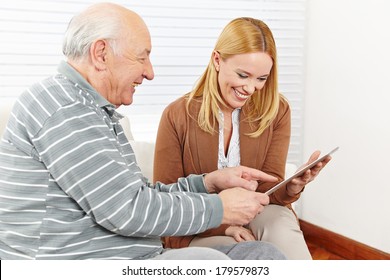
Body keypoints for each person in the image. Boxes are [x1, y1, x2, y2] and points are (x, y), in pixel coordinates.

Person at [0, 3, 288, 260]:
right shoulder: (63, 108)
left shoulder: (90, 109)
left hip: (137, 252)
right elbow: (128, 210)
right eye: (142, 57)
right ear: (101, 54)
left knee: (262, 255)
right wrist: (219, 208)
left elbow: (139, 195)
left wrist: (208, 183)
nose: (150, 72)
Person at [153, 17, 332, 259]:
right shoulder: (177, 115)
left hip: (259, 212)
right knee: (250, 254)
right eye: (243, 75)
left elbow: (270, 192)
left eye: (261, 79)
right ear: (217, 60)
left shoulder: (276, 110)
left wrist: (291, 187)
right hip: (200, 225)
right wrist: (223, 224)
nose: (250, 88)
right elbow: (166, 203)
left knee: (284, 233)